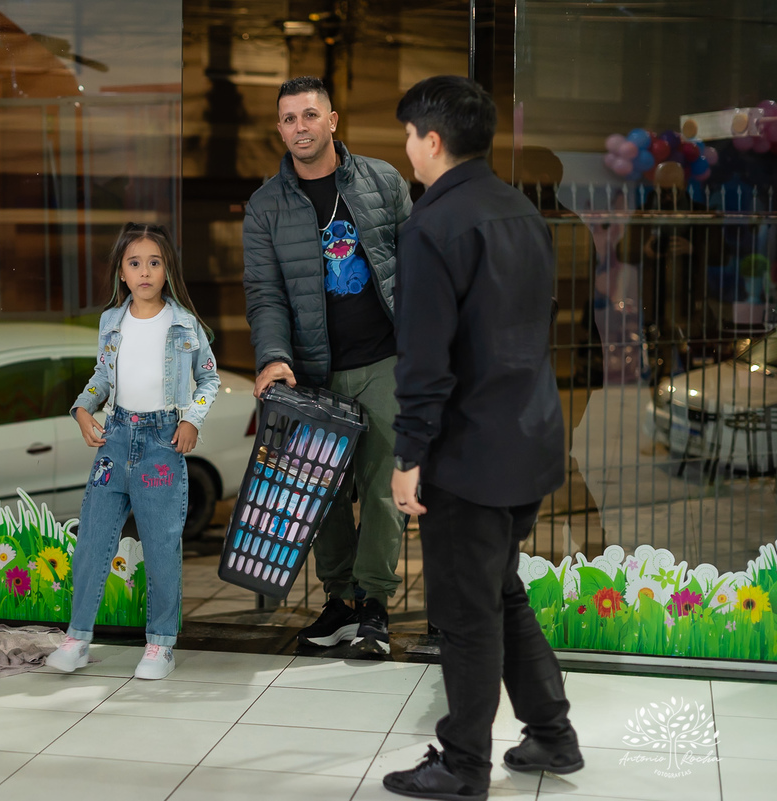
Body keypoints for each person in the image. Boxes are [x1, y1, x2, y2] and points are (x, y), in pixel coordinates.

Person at [384, 76, 582, 801]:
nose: (405, 148)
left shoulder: (434, 226)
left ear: (432, 140)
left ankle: (463, 763)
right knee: (499, 594)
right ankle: (553, 734)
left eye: (408, 135)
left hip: (467, 455)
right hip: (526, 443)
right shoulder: (520, 211)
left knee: (466, 614)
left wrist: (409, 455)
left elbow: (425, 361)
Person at [242, 75, 412, 654]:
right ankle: (339, 601)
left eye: (309, 115)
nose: (299, 128)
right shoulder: (266, 206)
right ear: (281, 128)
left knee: (384, 488)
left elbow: (418, 267)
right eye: (289, 119)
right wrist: (273, 359)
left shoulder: (382, 181)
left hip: (385, 359)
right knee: (319, 493)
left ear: (332, 120)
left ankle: (374, 605)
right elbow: (265, 296)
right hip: (312, 373)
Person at [45, 222, 220, 680]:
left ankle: (160, 645)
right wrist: (83, 409)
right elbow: (102, 377)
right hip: (115, 438)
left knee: (161, 546)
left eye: (155, 263)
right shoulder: (111, 322)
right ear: (122, 272)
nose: (145, 271)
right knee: (92, 540)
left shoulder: (185, 324)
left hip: (163, 442)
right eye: (135, 263)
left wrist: (190, 420)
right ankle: (77, 637)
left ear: (167, 270)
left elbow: (209, 379)